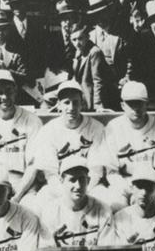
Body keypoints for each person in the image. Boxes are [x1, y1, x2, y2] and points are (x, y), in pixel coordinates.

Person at [16, 80, 107, 210]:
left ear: (82, 104)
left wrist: (82, 191)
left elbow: (96, 171)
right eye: (66, 103)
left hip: (89, 185)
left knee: (106, 200)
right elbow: (51, 174)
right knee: (40, 202)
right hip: (58, 187)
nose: (71, 108)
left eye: (75, 102)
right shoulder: (48, 130)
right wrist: (67, 194)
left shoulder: (96, 128)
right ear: (59, 105)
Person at [97, 80, 155, 206]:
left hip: (153, 185)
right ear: (122, 105)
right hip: (125, 183)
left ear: (147, 104)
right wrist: (132, 192)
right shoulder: (113, 127)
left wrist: (148, 192)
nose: (136, 108)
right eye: (131, 104)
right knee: (115, 204)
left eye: (140, 103)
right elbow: (112, 173)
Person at [36, 162, 116, 247]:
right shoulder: (50, 212)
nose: (78, 186)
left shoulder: (103, 211)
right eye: (72, 180)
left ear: (88, 181)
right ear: (61, 181)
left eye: (82, 179)